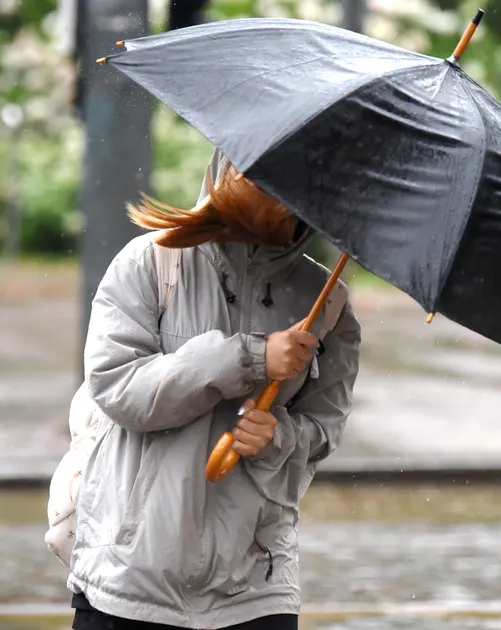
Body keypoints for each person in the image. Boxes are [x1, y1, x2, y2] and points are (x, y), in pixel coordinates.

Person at [67, 148, 362, 630]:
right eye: (249, 166)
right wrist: (250, 358)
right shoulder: (151, 262)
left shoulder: (326, 304)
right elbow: (118, 387)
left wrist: (277, 437)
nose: (261, 184)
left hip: (255, 592)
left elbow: (323, 432)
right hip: (131, 584)